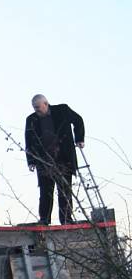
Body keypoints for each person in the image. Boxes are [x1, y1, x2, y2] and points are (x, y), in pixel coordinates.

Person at [24, 94, 85, 225]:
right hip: (44, 162)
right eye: (34, 108)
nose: (36, 110)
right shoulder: (31, 119)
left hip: (64, 160)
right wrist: (31, 161)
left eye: (38, 107)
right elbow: (28, 140)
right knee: (45, 192)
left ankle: (66, 220)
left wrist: (79, 138)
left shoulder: (62, 110)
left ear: (46, 104)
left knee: (65, 191)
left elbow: (78, 120)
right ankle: (44, 220)